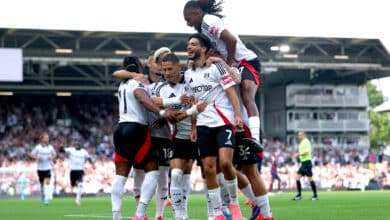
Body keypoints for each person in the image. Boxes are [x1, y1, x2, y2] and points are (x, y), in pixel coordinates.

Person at [183, 0, 263, 152]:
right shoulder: (203, 31)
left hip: (245, 62)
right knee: (233, 97)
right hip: (230, 64)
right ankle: (244, 133)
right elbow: (215, 50)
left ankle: (255, 137)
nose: (188, 24)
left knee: (246, 94)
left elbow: (231, 41)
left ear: (197, 13)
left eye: (189, 19)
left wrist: (231, 65)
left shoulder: (208, 21)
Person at [185, 33, 243, 220]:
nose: (189, 47)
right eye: (188, 45)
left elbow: (231, 91)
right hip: (203, 124)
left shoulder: (216, 67)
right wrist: (193, 127)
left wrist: (237, 114)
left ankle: (234, 204)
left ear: (203, 48)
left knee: (225, 163)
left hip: (222, 121)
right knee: (208, 168)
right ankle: (217, 212)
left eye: (193, 44)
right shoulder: (188, 74)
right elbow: (193, 102)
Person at [111, 55, 176, 220]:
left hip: (120, 129)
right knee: (153, 172)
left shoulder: (122, 84)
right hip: (137, 129)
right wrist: (161, 112)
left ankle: (116, 215)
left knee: (120, 176)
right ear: (139, 66)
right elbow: (143, 98)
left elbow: (117, 74)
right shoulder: (136, 83)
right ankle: (140, 213)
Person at [60, 140, 92, 205]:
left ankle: (77, 199)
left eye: (79, 144)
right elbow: (62, 150)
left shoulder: (84, 151)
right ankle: (74, 193)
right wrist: (61, 147)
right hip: (73, 171)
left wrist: (91, 164)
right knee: (73, 185)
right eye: (76, 144)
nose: (77, 145)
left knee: (80, 185)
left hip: (80, 170)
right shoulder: (71, 150)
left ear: (81, 145)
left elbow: (89, 158)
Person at [29, 132, 57, 205]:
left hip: (48, 167)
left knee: (47, 182)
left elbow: (55, 154)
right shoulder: (38, 147)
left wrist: (52, 157)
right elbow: (31, 154)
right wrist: (37, 157)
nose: (47, 139)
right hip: (40, 168)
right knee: (42, 184)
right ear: (42, 139)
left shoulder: (50, 147)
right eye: (46, 138)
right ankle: (43, 195)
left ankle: (46, 198)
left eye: (48, 138)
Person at [292, 131, 318, 201]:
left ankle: (315, 195)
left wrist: (298, 154)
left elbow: (306, 152)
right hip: (304, 163)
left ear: (304, 135)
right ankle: (299, 195)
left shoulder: (306, 142)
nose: (299, 136)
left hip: (307, 163)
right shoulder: (303, 142)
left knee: (310, 179)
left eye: (300, 135)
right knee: (297, 177)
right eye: (298, 135)